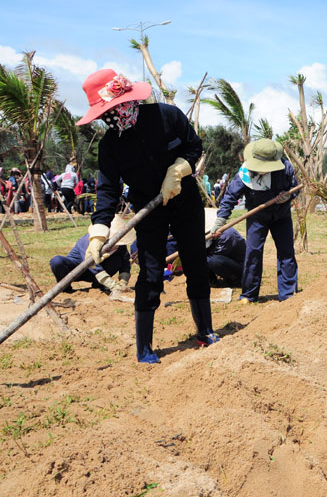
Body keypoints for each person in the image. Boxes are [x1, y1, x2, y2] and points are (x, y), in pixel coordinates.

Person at [77, 68, 218, 364]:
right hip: (147, 211)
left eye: (115, 109)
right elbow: (107, 191)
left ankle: (205, 330)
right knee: (151, 273)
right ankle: (145, 347)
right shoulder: (110, 146)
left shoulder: (168, 116)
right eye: (107, 113)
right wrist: (99, 232)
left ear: (129, 100)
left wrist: (179, 170)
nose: (113, 116)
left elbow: (194, 146)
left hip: (185, 201)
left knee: (195, 263)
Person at [212, 139, 298, 304]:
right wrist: (221, 220)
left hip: (281, 216)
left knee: (286, 253)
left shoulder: (285, 167)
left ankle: (288, 295)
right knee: (253, 253)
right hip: (257, 217)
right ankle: (249, 294)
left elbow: (293, 188)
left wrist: (287, 196)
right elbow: (230, 196)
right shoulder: (245, 173)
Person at [50, 216, 134, 293]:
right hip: (77, 271)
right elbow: (93, 265)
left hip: (98, 273)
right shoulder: (87, 241)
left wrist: (123, 281)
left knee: (117, 260)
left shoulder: (120, 245)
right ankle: (65, 287)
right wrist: (111, 284)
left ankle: (99, 284)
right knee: (57, 261)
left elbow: (125, 262)